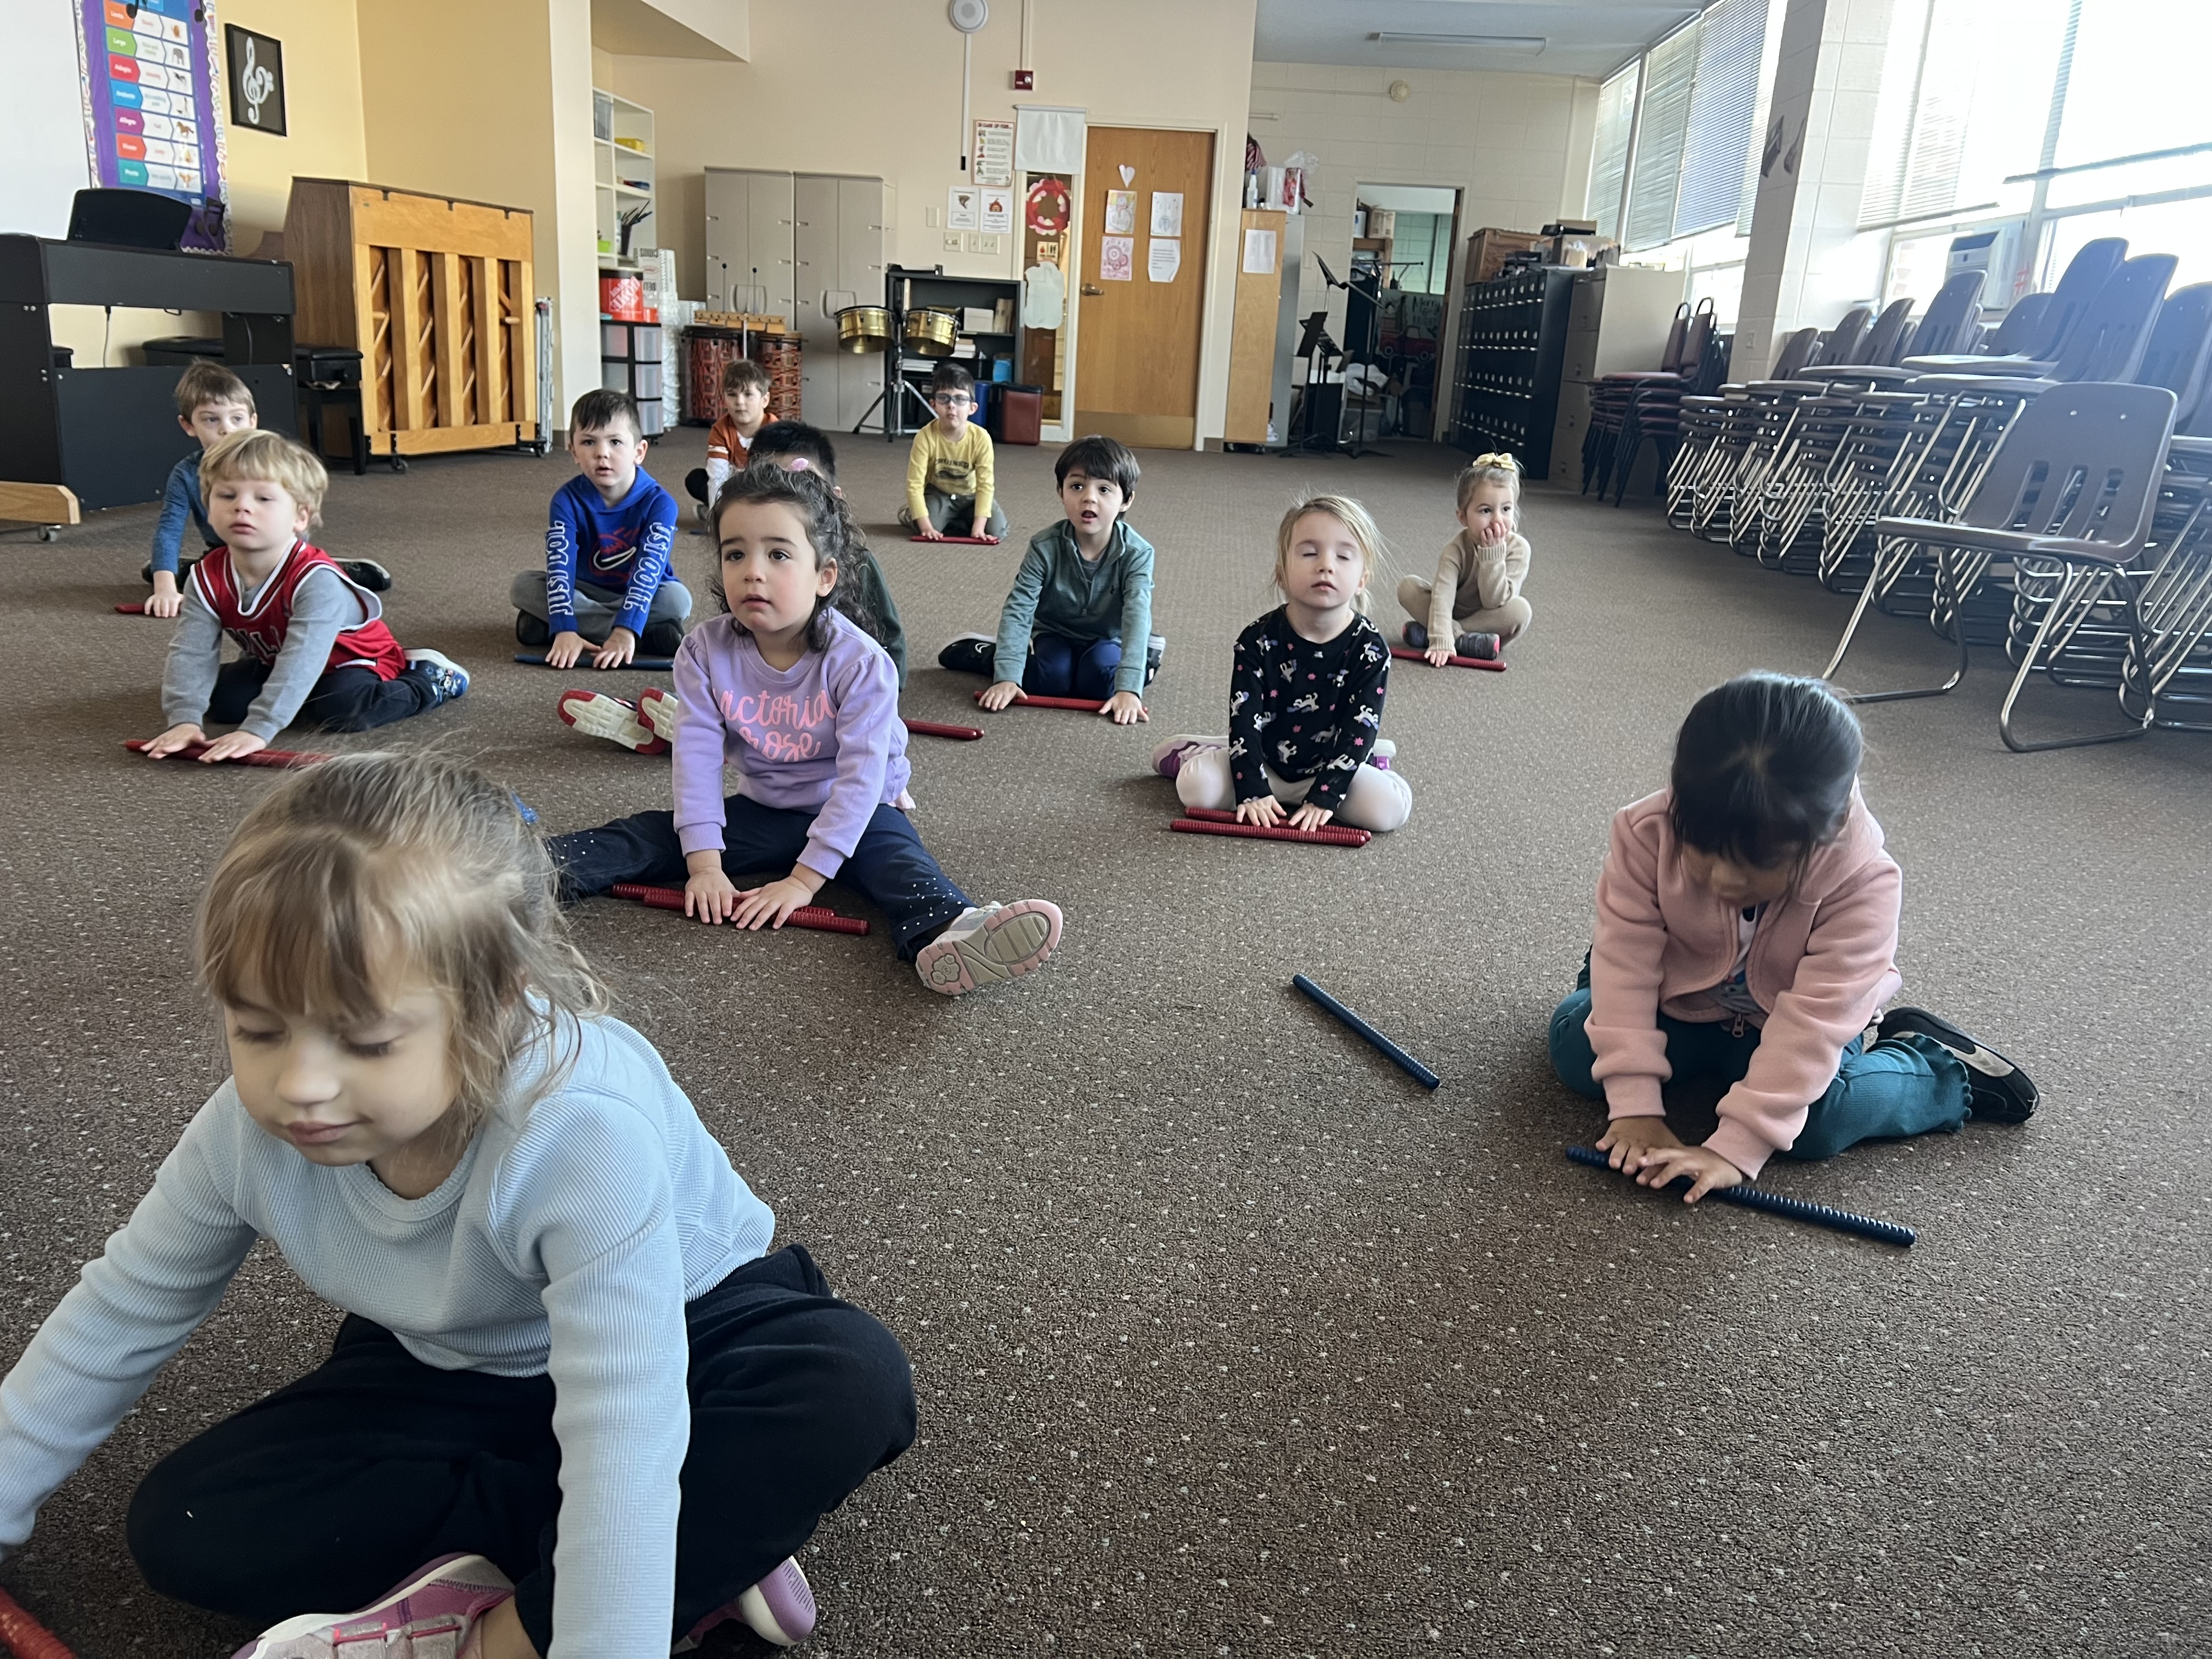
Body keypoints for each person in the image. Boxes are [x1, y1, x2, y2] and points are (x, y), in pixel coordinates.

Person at [0, 752, 917, 1657]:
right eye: (259, 1028)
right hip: (454, 1354)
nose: (300, 1085)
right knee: (187, 1525)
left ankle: (537, 1614)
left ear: (497, 1003)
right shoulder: (244, 1130)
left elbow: (626, 1419)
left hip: (686, 1332)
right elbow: (125, 1306)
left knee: (843, 1384)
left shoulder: (579, 1128)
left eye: (365, 1041)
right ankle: (701, 1540)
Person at [549, 466, 1064, 997]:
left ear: (825, 576)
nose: (753, 572)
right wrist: (704, 865)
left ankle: (955, 933)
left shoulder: (861, 662)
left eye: (778, 554)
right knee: (654, 835)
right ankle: (526, 869)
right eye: (735, 554)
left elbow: (861, 780)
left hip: (858, 811)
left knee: (900, 865)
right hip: (768, 807)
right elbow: (696, 761)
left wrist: (804, 881)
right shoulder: (703, 651)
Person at [1548, 673, 2038, 1202]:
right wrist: (1635, 1105)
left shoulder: (1866, 882)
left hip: (1792, 1016)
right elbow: (1626, 957)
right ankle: (1647, 1022)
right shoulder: (1645, 830)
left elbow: (1814, 1025)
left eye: (1758, 864)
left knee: (1814, 1126)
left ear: (1823, 835)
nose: (1724, 880)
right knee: (1577, 1046)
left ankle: (1935, 1069)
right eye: (1702, 850)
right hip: (1684, 992)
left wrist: (1738, 1145)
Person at [139, 430, 466, 762]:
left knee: (343, 709)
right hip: (276, 659)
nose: (242, 507)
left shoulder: (316, 580)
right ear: (209, 509)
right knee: (224, 701)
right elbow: (192, 652)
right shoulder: (204, 576)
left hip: (356, 661)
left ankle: (429, 678)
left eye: (263, 499)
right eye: (227, 495)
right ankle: (298, 698)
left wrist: (259, 728)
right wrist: (183, 720)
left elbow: (304, 657)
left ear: (300, 517)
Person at [1151, 494, 1412, 833]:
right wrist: (1251, 788)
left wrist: (1327, 794)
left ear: (1362, 578)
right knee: (1196, 790)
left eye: (1343, 556)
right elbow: (1245, 718)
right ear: (1282, 574)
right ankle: (1203, 752)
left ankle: (1376, 764)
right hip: (1264, 761)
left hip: (1331, 765)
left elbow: (1359, 729)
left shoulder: (1371, 649)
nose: (1326, 565)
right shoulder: (1256, 639)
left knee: (1389, 811)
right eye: (1309, 553)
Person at [936, 434, 1161, 726]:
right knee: (1051, 679)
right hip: (1055, 633)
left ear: (1126, 500)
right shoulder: (1044, 546)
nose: (1089, 497)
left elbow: (1136, 616)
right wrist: (1007, 676)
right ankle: (988, 654)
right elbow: (1020, 608)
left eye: (1104, 489)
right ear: (1061, 491)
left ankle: (1147, 659)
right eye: (1077, 486)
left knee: (1101, 685)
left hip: (1107, 637)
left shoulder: (1138, 553)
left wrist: (1129, 689)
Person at [142, 361, 389, 619]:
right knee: (209, 579)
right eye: (212, 420)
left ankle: (332, 569)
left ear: (253, 422)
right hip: (225, 553)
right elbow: (169, 531)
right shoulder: (185, 473)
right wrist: (164, 589)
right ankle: (184, 570)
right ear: (189, 425)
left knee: (294, 583)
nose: (227, 429)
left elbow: (297, 519)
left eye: (237, 418)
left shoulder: (271, 465)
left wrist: (294, 563)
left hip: (278, 552)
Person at [512, 390, 689, 670]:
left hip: (639, 592)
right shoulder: (565, 500)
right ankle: (643, 633)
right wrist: (565, 628)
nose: (602, 453)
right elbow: (560, 567)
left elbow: (649, 571)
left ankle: (601, 631)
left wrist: (625, 629)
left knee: (678, 601)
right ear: (573, 451)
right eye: (589, 442)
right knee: (523, 587)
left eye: (615, 442)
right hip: (583, 590)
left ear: (639, 452)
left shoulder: (660, 503)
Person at [1397, 452, 1532, 664]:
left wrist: (1492, 557)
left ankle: (1439, 633)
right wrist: (1441, 638)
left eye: (1506, 509)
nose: (1497, 520)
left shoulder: (1519, 549)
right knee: (1408, 588)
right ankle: (1468, 642)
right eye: (1486, 511)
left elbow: (1494, 602)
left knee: (1520, 611)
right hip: (1453, 609)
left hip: (1488, 618)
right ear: (1463, 517)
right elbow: (1443, 596)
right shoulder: (1455, 549)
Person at [900, 363, 1006, 542]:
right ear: (934, 405)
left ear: (972, 408)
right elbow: (915, 484)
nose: (951, 406)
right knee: (925, 527)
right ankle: (914, 513)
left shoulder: (982, 438)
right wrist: (926, 527)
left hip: (971, 496)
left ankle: (958, 520)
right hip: (939, 493)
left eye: (960, 399)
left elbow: (985, 485)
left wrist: (979, 527)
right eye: (944, 399)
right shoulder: (925, 437)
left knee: (997, 530)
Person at [684, 358, 775, 532]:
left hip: (764, 490)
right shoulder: (720, 430)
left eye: (748, 394)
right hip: (733, 487)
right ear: (724, 398)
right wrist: (717, 521)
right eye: (732, 394)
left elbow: (776, 481)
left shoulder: (775, 431)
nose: (739, 402)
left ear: (765, 400)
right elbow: (717, 477)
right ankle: (720, 514)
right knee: (696, 479)